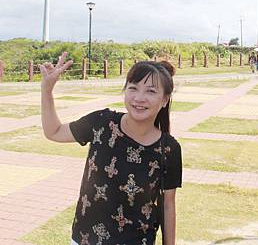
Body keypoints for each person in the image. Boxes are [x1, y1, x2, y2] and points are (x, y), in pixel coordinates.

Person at [40, 52, 182, 245]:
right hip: (85, 240)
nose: (139, 98)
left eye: (151, 91)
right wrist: (46, 91)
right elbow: (54, 131)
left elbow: (167, 205)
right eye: (133, 88)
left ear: (165, 100)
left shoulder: (169, 149)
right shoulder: (101, 122)